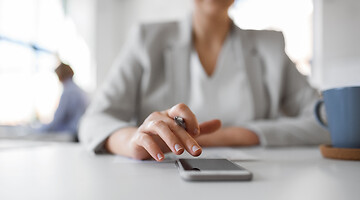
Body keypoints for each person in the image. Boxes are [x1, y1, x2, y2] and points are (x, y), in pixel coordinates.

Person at [79, 0, 330, 160]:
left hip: (257, 186)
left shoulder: (270, 46)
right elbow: (94, 121)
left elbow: (327, 121)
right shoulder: (146, 40)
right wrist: (133, 142)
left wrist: (233, 135)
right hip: (159, 183)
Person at [38, 62, 89, 138]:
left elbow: (57, 119)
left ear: (60, 76)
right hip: (81, 132)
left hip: (71, 134)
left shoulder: (68, 92)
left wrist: (39, 131)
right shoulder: (79, 90)